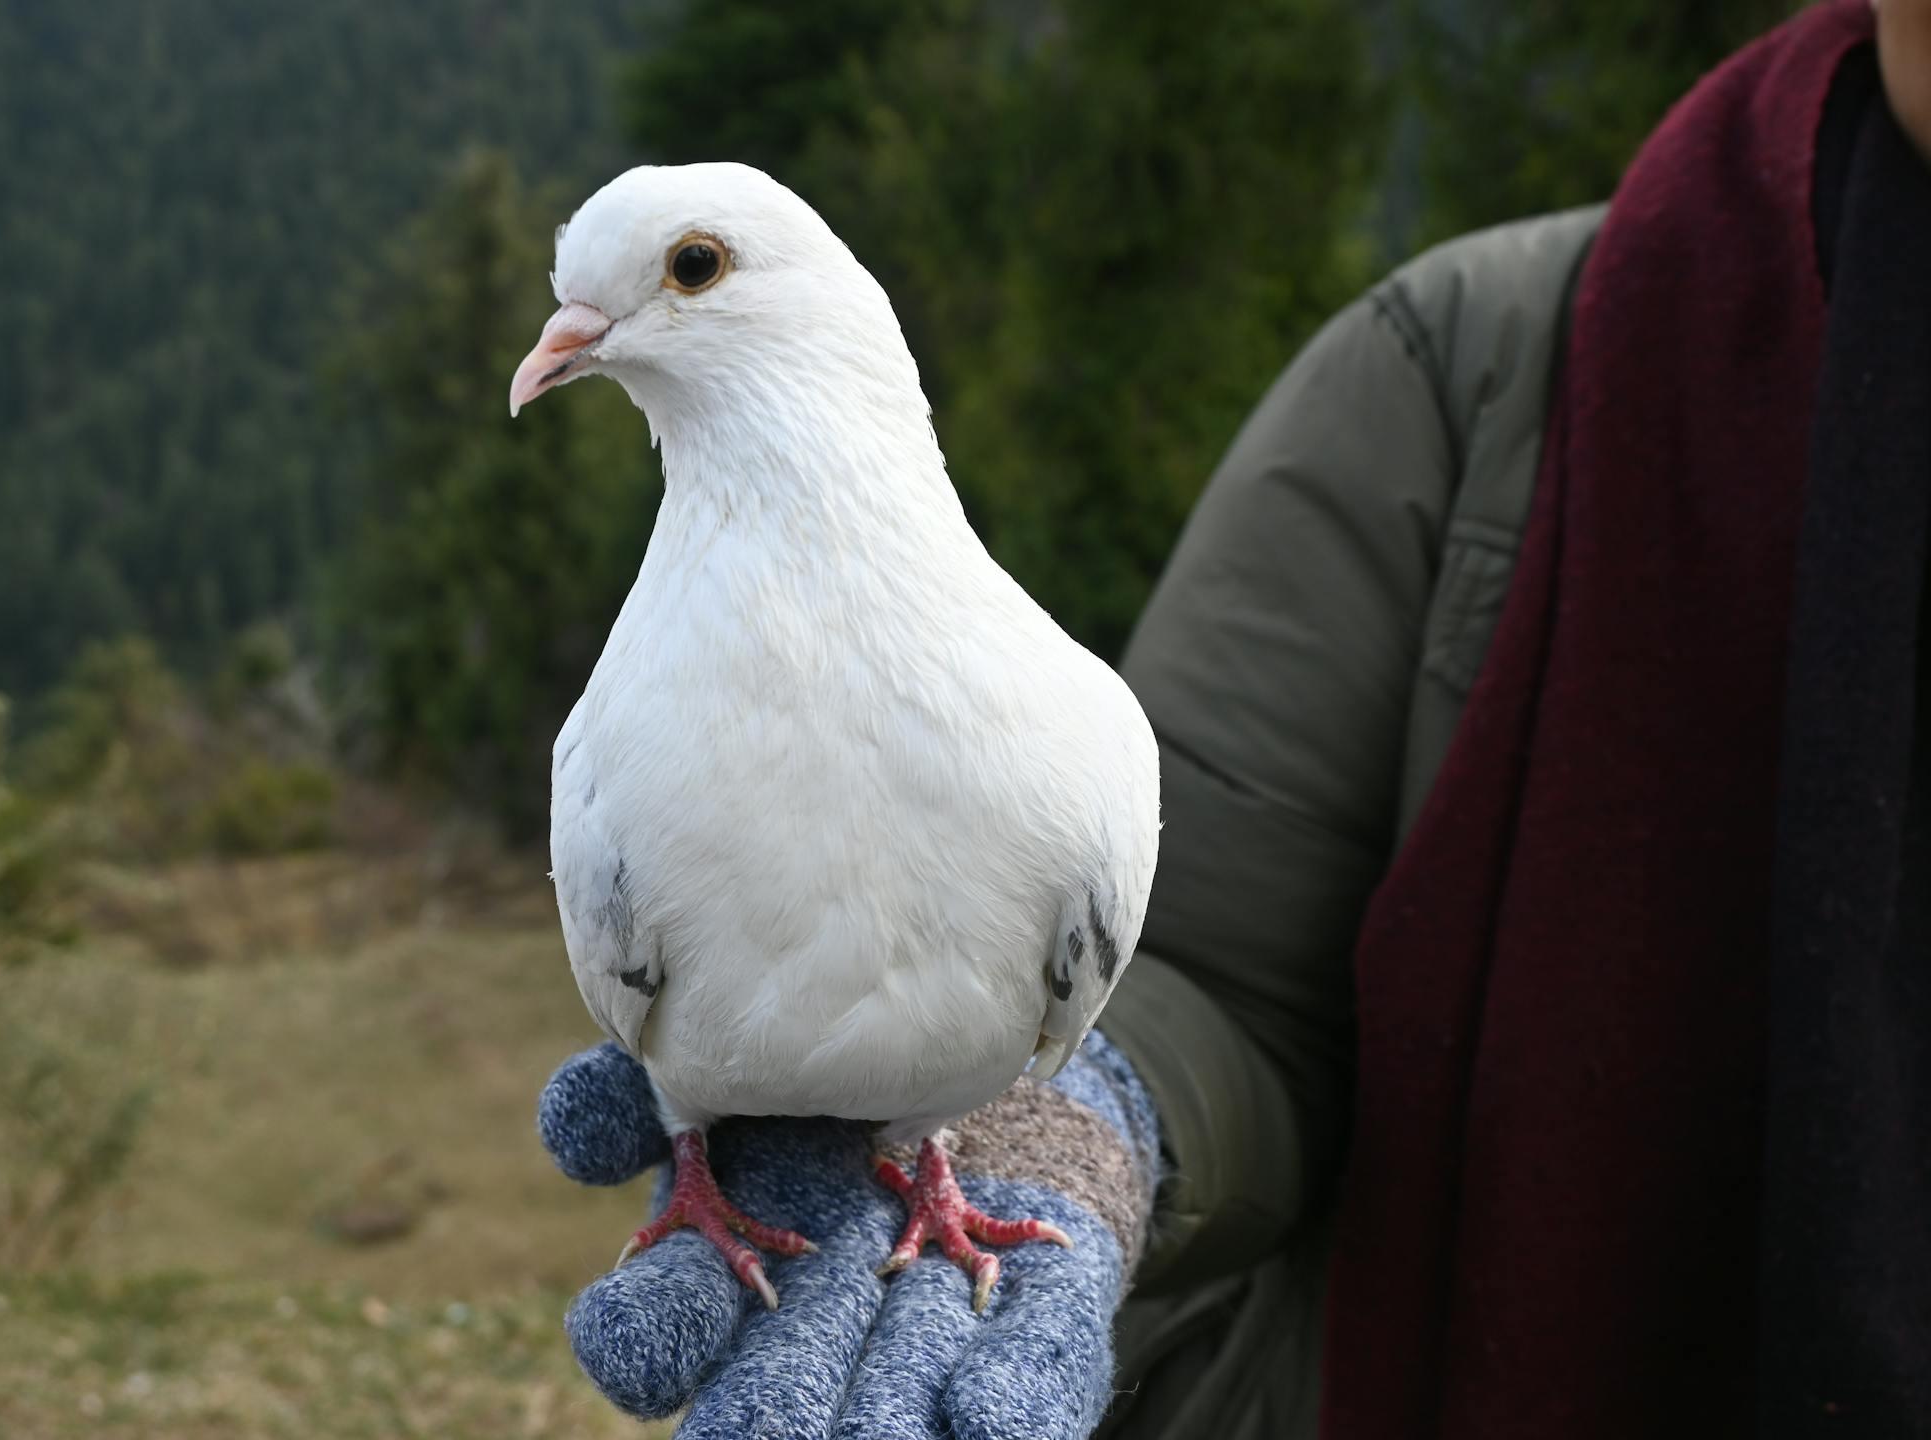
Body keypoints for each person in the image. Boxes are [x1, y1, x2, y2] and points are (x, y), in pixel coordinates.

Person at [534, 1, 1931, 1434]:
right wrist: (1084, 1132)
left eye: (690, 273)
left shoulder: (1062, 726)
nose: (572, 331)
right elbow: (1221, 976)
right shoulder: (1477, 365)